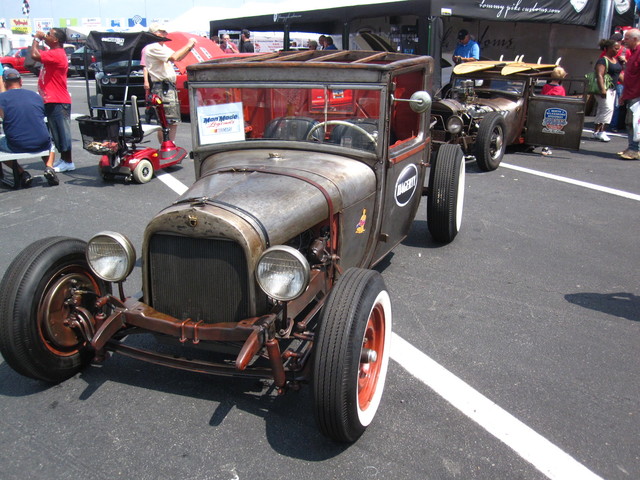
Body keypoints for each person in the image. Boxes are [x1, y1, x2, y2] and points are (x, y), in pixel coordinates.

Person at [0, 68, 58, 187]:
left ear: (5, 83)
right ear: (20, 81)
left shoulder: (2, 98)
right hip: (42, 142)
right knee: (50, 143)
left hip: (17, 144)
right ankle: (49, 167)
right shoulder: (35, 96)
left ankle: (22, 173)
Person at [31, 28, 74, 173]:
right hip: (50, 99)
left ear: (56, 40)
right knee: (55, 132)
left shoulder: (57, 54)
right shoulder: (53, 52)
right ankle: (64, 159)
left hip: (57, 99)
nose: (45, 35)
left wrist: (37, 39)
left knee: (62, 132)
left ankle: (68, 161)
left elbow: (34, 55)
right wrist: (43, 40)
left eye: (49, 34)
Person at [145, 24, 197, 143]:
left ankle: (170, 145)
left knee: (173, 120)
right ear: (155, 33)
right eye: (162, 32)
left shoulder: (161, 47)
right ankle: (166, 146)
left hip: (167, 86)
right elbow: (175, 57)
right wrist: (188, 44)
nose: (165, 34)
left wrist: (189, 47)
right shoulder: (153, 47)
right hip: (162, 86)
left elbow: (178, 56)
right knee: (165, 119)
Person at [593, 39, 623, 142]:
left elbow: (619, 75)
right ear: (609, 48)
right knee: (608, 109)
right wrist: (602, 89)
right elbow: (599, 75)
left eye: (618, 49)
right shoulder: (602, 60)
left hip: (613, 89)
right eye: (615, 48)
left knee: (602, 110)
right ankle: (602, 131)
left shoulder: (616, 60)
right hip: (605, 89)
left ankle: (596, 132)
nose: (617, 50)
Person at [619, 28, 640, 160]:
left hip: (637, 94)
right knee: (630, 122)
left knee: (634, 123)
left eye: (626, 38)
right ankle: (632, 147)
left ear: (634, 39)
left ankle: (634, 149)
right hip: (631, 93)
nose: (624, 41)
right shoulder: (633, 53)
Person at [540, 67, 567, 156]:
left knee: (543, 127)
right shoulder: (561, 89)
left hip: (544, 109)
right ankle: (547, 147)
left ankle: (541, 144)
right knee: (552, 129)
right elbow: (563, 101)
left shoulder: (546, 86)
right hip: (556, 112)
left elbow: (542, 96)